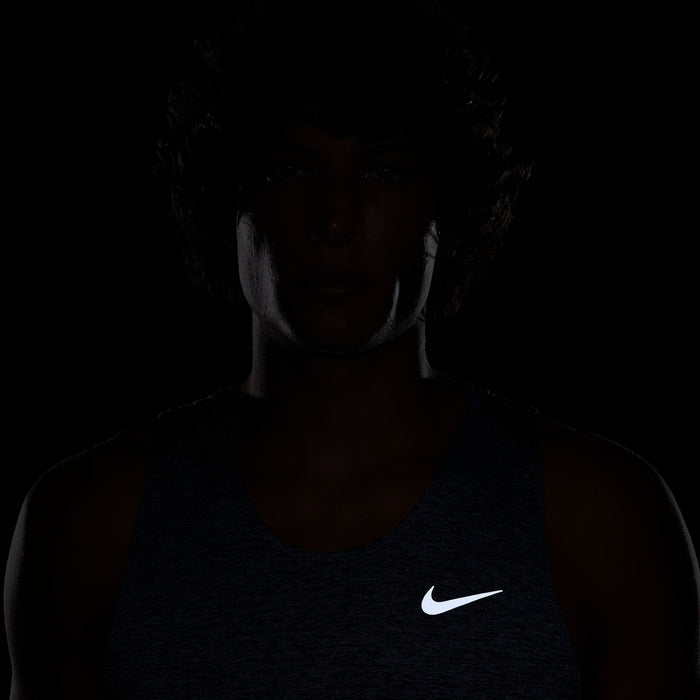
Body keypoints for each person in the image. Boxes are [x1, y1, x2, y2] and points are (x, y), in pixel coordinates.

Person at [5, 0, 699, 697]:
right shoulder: (92, 522)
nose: (335, 220)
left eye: (382, 172)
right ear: (227, 201)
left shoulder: (599, 517)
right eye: (288, 170)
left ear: (446, 207)